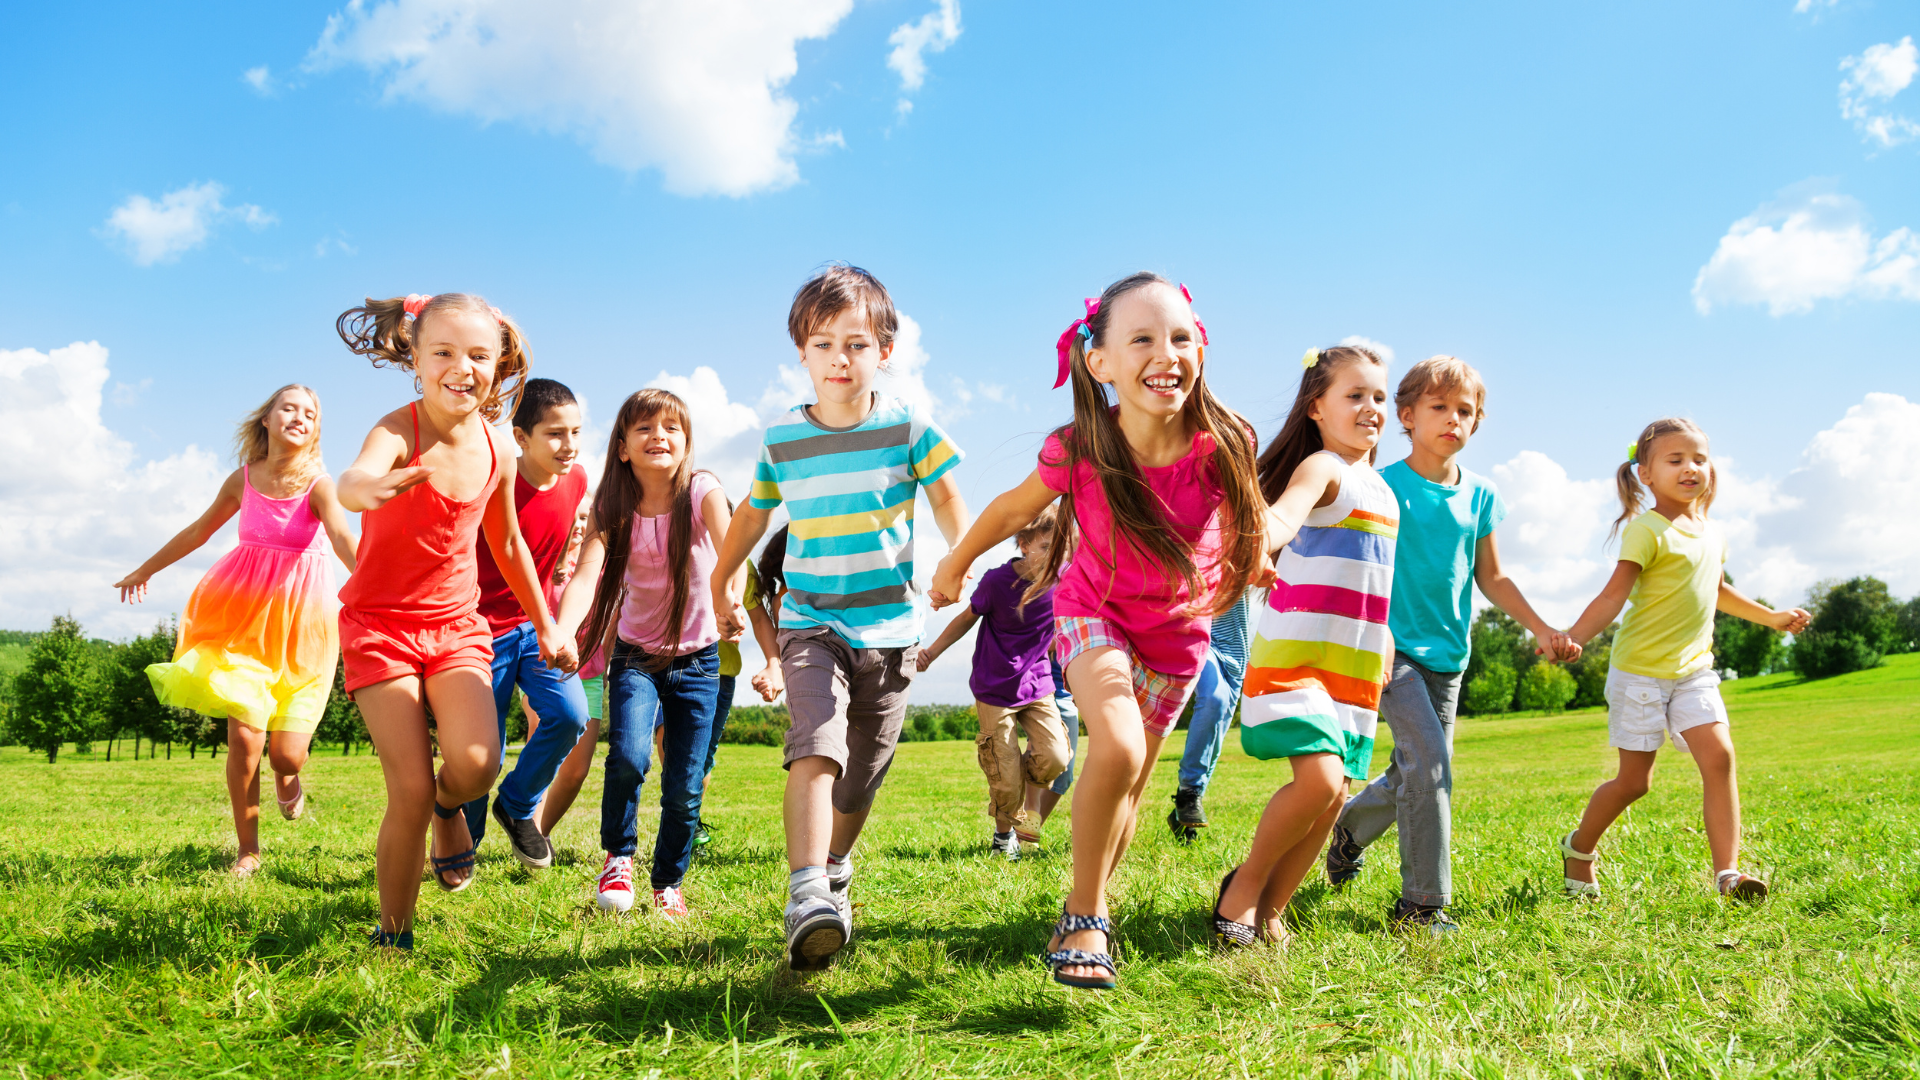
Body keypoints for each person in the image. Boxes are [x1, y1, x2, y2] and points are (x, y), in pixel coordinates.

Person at [931, 273, 1265, 990]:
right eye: (1141, 338)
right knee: (1110, 743)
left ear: (1200, 351)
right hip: (1095, 614)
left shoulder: (1224, 441)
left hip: (1177, 639)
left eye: (1180, 337)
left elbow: (1248, 520)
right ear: (1100, 361)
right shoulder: (1082, 445)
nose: (1165, 352)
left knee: (1128, 790)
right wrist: (957, 561)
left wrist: (1254, 558)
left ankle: (1095, 898)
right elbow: (1010, 511)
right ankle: (1083, 914)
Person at [712, 264, 969, 973]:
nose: (839, 359)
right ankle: (806, 896)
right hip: (809, 621)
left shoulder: (908, 428)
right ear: (801, 353)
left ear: (884, 351)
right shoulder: (783, 441)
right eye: (823, 345)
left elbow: (948, 498)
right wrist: (722, 574)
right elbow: (752, 513)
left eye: (855, 345)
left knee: (862, 775)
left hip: (889, 629)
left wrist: (958, 557)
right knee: (815, 744)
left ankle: (834, 865)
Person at [334, 292, 567, 951]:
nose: (459, 367)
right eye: (442, 352)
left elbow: (510, 545)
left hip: (458, 628)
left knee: (476, 763)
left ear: (498, 365)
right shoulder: (397, 430)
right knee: (407, 784)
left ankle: (448, 808)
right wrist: (363, 490)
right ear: (415, 355)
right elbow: (355, 478)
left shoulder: (499, 447)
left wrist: (547, 624)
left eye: (477, 355)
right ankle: (394, 934)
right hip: (380, 628)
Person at [1324, 356, 1577, 935]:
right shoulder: (1384, 486)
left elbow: (1493, 577)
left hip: (1450, 658)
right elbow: (1361, 568)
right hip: (1392, 652)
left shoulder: (1482, 495)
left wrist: (1540, 628)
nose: (1452, 419)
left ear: (1477, 423)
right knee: (1431, 767)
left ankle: (1349, 829)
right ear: (1406, 416)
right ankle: (1422, 905)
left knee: (1416, 769)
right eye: (1439, 408)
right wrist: (1376, 632)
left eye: (1465, 411)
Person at [1558, 418, 1809, 903]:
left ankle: (1728, 875)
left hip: (1694, 671)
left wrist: (1773, 618)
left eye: (1699, 458)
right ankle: (1579, 848)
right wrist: (1576, 637)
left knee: (1720, 757)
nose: (1690, 468)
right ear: (1646, 474)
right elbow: (1613, 597)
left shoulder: (1712, 534)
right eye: (1675, 460)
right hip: (1640, 676)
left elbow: (1717, 591)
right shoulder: (1646, 531)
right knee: (1635, 783)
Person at [115, 384, 357, 878]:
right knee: (245, 737)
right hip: (242, 623)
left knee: (287, 753)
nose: (299, 416)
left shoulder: (321, 486)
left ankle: (288, 778)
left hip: (304, 631)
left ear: (315, 430)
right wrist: (146, 569)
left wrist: (376, 587)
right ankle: (248, 849)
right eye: (288, 407)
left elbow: (341, 536)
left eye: (310, 413)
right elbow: (198, 531)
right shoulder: (242, 479)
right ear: (266, 420)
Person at [1213, 345, 1400, 950]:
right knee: (1318, 781)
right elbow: (1282, 517)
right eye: (1355, 395)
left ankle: (1274, 907)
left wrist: (1386, 638)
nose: (1370, 408)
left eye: (1378, 397)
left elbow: (1373, 579)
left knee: (1335, 794)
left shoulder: (1385, 492)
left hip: (1355, 665)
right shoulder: (1325, 468)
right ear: (1317, 406)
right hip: (1298, 658)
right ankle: (1241, 890)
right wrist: (1256, 547)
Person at [555, 388, 743, 920]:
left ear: (686, 443)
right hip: (636, 658)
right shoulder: (613, 506)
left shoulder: (702, 491)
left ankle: (668, 883)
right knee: (631, 757)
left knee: (684, 785)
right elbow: (588, 572)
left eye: (671, 428)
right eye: (643, 428)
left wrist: (729, 599)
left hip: (701, 662)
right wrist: (565, 631)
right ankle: (618, 856)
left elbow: (730, 549)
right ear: (622, 447)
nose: (658, 436)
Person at [459, 378, 593, 871]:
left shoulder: (577, 480)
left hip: (531, 627)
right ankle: (463, 845)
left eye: (576, 431)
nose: (570, 445)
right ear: (521, 438)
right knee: (482, 753)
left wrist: (552, 622)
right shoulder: (496, 479)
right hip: (477, 631)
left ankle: (515, 805)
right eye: (556, 434)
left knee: (569, 714)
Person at [917, 506, 1069, 859]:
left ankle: (1028, 812)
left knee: (1055, 755)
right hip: (994, 686)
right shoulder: (997, 582)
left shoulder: (1062, 581)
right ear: (1024, 544)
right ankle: (1004, 838)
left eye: (1060, 548)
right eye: (1046, 546)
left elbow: (1063, 628)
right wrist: (932, 653)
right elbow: (966, 619)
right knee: (1004, 769)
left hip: (1038, 683)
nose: (1053, 555)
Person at [690, 527, 786, 850]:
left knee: (701, 759)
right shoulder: (679, 554)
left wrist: (774, 664)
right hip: (670, 668)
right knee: (677, 751)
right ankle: (681, 817)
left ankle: (688, 819)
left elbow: (760, 620)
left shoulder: (743, 567)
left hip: (720, 675)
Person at [1167, 587, 1252, 842]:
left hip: (1238, 651)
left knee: (1215, 736)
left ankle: (1186, 806)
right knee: (1214, 699)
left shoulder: (1251, 547)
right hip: (1201, 637)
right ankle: (1188, 792)